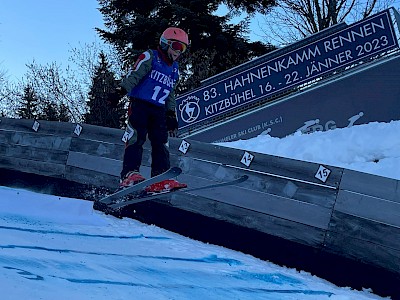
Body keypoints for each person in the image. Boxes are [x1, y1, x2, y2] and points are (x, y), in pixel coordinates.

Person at [114, 27, 189, 191]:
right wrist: (120, 91)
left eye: (183, 48)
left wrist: (171, 113)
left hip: (159, 109)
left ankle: (160, 176)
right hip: (140, 104)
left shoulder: (174, 69)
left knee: (161, 142)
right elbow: (134, 75)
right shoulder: (151, 57)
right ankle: (129, 173)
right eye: (176, 47)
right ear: (165, 44)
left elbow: (170, 91)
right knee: (136, 137)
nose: (179, 52)